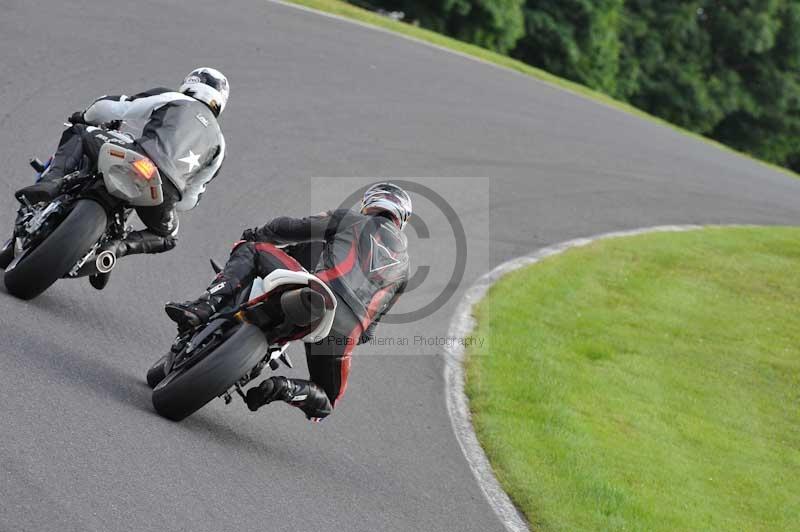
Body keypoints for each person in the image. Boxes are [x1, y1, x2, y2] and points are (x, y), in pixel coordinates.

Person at [164, 183, 412, 421]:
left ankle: (202, 308)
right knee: (326, 401)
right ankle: (286, 388)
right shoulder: (405, 269)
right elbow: (370, 331)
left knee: (252, 249)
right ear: (401, 218)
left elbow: (291, 227)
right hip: (348, 330)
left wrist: (257, 234)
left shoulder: (352, 219)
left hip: (318, 292)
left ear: (369, 203)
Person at [18, 67, 228, 276]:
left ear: (192, 83)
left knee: (80, 132)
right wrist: (170, 198)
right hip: (164, 192)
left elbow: (114, 107)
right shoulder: (220, 144)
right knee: (169, 236)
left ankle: (50, 184)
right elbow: (190, 199)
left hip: (138, 158)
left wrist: (85, 117)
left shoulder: (176, 98)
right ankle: (116, 248)